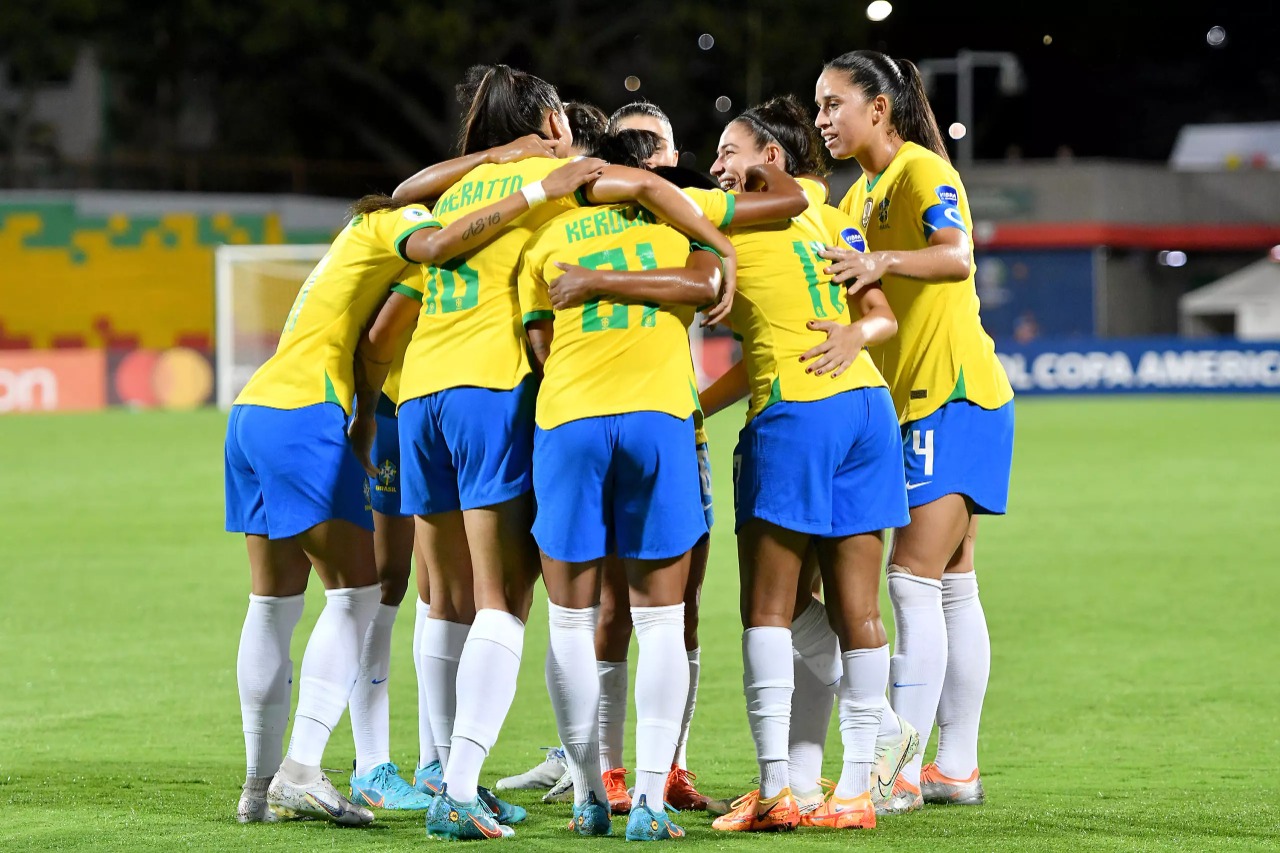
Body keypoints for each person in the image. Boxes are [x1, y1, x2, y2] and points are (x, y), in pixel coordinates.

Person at [352, 63, 736, 841]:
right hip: (520, 400)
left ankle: (459, 767)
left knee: (444, 596)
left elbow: (407, 246)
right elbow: (722, 211)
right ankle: (588, 794)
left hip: (431, 398)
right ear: (559, 128)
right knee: (532, 606)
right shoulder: (569, 191)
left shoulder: (463, 190)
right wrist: (712, 245)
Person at [229, 170, 600, 827]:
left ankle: (259, 787)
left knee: (274, 600)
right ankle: (306, 767)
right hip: (308, 410)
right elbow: (432, 244)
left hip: (253, 409)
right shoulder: (403, 228)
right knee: (359, 593)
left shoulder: (354, 235)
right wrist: (536, 185)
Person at [814, 50, 1016, 813]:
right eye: (819, 105)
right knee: (954, 584)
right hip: (925, 401)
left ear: (880, 107)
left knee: (912, 579)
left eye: (836, 104)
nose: (825, 118)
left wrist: (881, 260)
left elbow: (958, 257)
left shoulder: (922, 171)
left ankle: (897, 770)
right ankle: (953, 767)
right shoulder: (861, 190)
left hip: (951, 394)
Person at [517, 126, 725, 841]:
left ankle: (585, 793)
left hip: (570, 415)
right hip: (659, 416)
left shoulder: (546, 236)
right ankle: (648, 802)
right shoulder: (675, 224)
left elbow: (537, 343)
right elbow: (709, 282)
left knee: (572, 620)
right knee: (662, 621)